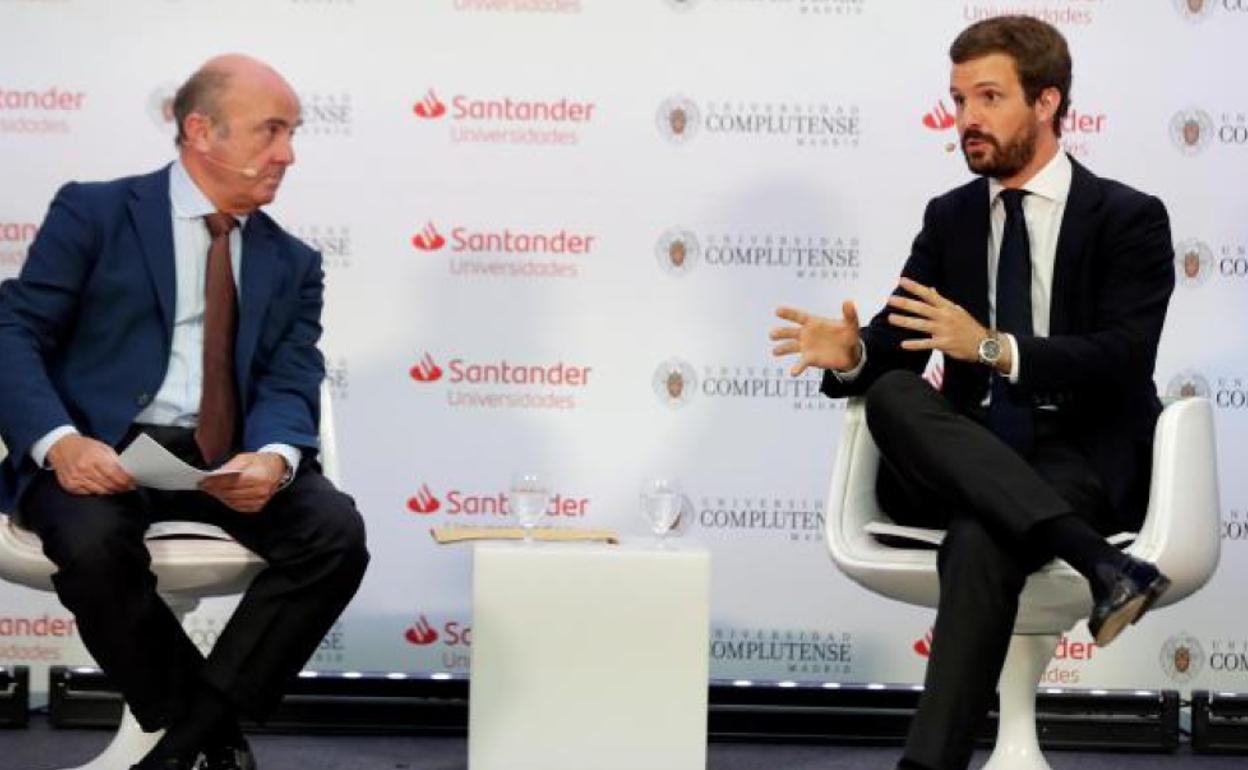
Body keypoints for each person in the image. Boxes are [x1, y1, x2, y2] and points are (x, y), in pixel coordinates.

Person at [770, 16, 1174, 770]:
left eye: (989, 97)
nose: (967, 120)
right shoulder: (951, 217)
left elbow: (1122, 357)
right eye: (958, 100)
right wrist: (855, 350)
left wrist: (991, 347)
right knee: (890, 392)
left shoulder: (1128, 217)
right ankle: (1099, 565)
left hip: (1078, 454)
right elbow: (900, 334)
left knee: (983, 535)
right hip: (969, 450)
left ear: (1048, 102)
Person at [0, 55, 369, 770]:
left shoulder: (293, 261)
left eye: (291, 134)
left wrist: (275, 456)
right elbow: (14, 332)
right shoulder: (94, 211)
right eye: (271, 131)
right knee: (92, 544)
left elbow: (292, 375)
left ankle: (179, 747)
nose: (288, 154)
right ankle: (208, 736)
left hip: (223, 455)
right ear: (201, 131)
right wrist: (59, 442)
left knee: (335, 534)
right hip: (98, 450)